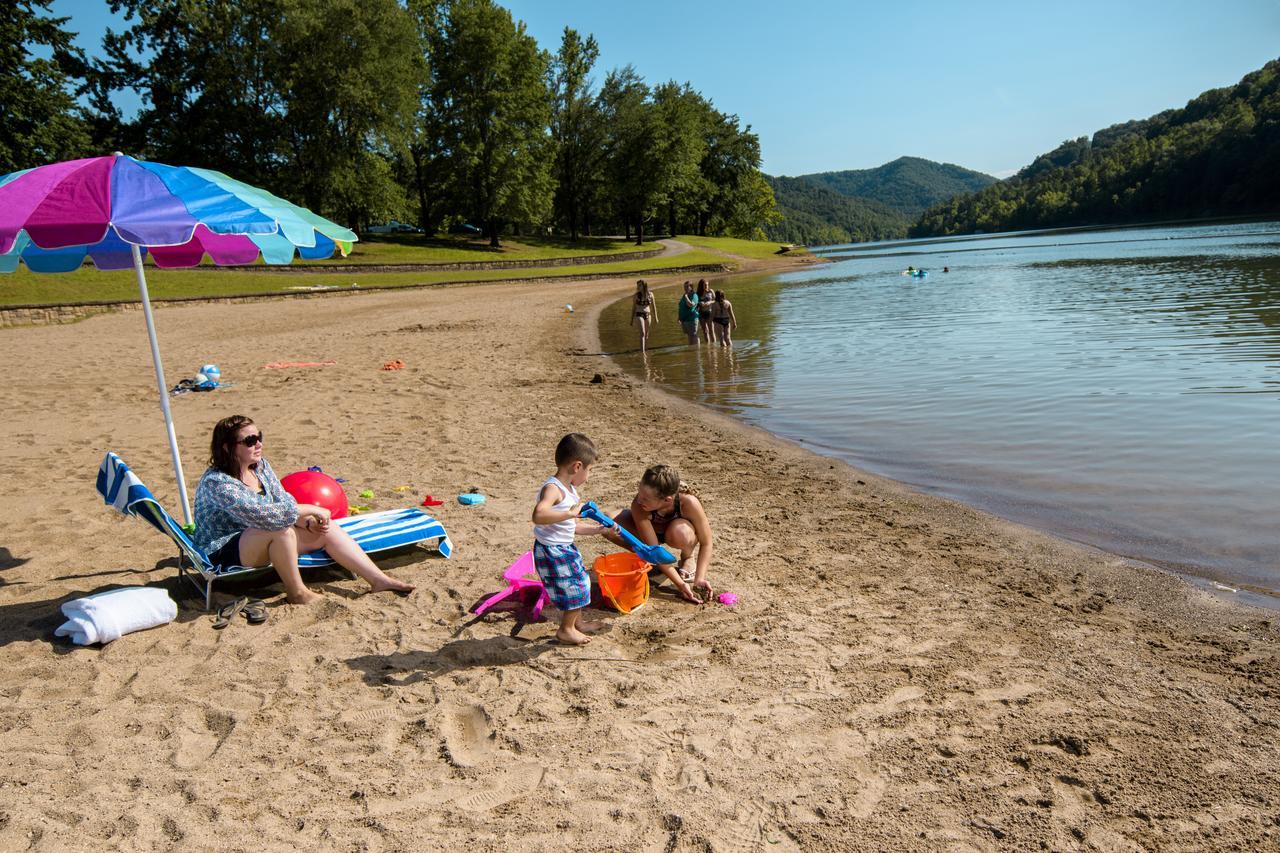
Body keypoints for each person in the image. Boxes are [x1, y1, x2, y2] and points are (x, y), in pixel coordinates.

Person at [193, 415, 415, 605]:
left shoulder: (260, 466)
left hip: (260, 536)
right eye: (250, 441)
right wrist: (309, 509)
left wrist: (304, 520)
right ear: (227, 447)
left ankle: (378, 580)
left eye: (259, 437)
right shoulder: (218, 482)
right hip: (223, 550)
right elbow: (263, 514)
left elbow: (282, 500)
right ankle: (297, 592)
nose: (258, 444)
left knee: (324, 529)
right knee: (280, 529)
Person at [531, 433, 607, 644]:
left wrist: (598, 530)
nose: (588, 476)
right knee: (576, 587)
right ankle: (566, 630)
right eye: (589, 470)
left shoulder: (570, 490)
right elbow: (538, 515)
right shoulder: (553, 489)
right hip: (552, 550)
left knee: (580, 583)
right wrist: (571, 512)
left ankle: (577, 624)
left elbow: (571, 527)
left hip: (564, 547)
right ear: (577, 466)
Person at [610, 464, 712, 602]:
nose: (639, 499)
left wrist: (699, 579)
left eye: (646, 498)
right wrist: (681, 584)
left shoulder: (688, 502)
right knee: (609, 525)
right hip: (652, 535)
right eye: (639, 492)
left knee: (681, 532)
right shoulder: (639, 504)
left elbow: (706, 542)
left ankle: (688, 557)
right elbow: (654, 550)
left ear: (667, 500)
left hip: (675, 533)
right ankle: (646, 558)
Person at [631, 279, 657, 351]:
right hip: (639, 314)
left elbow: (654, 307)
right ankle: (642, 352)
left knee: (646, 334)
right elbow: (633, 308)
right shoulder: (636, 296)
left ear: (644, 285)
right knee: (642, 333)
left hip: (648, 315)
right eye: (638, 285)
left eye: (640, 285)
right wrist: (631, 320)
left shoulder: (650, 295)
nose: (638, 287)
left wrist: (656, 318)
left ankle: (646, 349)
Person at [677, 280, 700, 345]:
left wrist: (686, 297)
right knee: (689, 336)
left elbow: (691, 305)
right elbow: (681, 306)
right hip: (684, 320)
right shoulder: (684, 295)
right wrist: (679, 317)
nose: (685, 288)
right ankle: (692, 349)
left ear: (691, 287)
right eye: (684, 287)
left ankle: (697, 351)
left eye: (687, 287)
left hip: (692, 319)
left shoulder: (694, 295)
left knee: (694, 335)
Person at [696, 279, 715, 344]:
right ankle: (708, 345)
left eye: (707, 285)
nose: (707, 286)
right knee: (705, 331)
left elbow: (715, 300)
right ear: (701, 286)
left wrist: (710, 302)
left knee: (711, 331)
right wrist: (699, 303)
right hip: (701, 314)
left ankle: (713, 347)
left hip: (709, 312)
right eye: (705, 285)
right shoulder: (698, 293)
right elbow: (696, 303)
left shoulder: (711, 291)